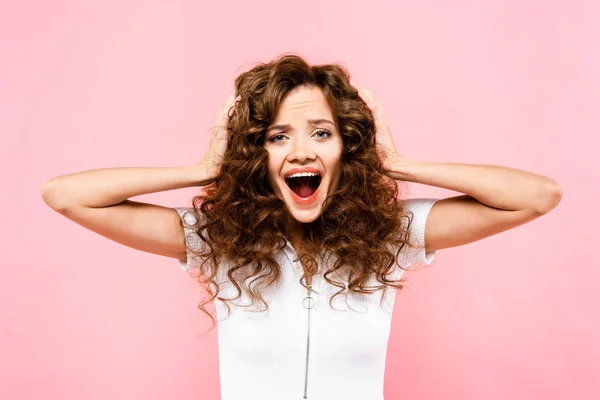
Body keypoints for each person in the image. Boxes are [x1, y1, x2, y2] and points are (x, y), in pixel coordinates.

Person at [41, 54, 562, 400]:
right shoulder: (216, 241)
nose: (302, 151)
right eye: (278, 136)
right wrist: (202, 169)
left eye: (321, 132)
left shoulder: (390, 235)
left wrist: (396, 161)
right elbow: (64, 195)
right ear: (255, 154)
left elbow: (538, 196)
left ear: (347, 148)